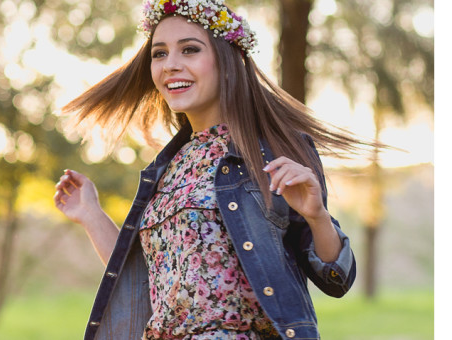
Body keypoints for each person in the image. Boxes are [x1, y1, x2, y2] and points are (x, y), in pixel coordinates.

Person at [54, 0, 362, 339]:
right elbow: (144, 280)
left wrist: (317, 216)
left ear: (227, 62)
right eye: (159, 54)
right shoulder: (167, 168)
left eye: (189, 50)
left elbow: (337, 278)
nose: (170, 65)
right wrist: (91, 214)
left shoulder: (275, 149)